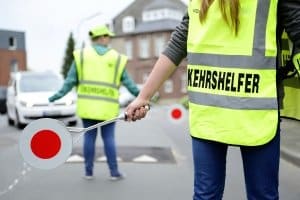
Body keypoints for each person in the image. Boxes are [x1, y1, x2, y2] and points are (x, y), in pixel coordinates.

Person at [125, 1, 300, 199]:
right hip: (255, 111)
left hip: (213, 111)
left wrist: (144, 96)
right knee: (262, 195)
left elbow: (178, 44)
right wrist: (143, 96)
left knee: (206, 195)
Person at [49, 24, 140, 180]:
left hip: (88, 107)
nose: (109, 40)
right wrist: (144, 97)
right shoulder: (116, 58)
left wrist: (55, 97)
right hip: (108, 108)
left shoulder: (82, 56)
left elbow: (69, 82)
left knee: (89, 138)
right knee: (109, 139)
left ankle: (88, 172)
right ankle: (114, 173)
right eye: (108, 37)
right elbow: (129, 83)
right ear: (102, 37)